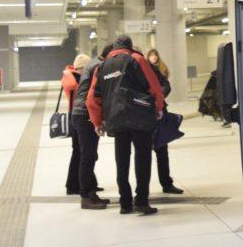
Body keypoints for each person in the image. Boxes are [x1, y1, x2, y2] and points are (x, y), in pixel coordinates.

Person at [87, 36, 165, 215]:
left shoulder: (102, 66)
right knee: (142, 158)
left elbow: (93, 97)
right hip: (140, 118)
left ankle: (125, 203)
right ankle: (141, 201)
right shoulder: (137, 59)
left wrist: (97, 121)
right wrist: (158, 107)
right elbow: (154, 86)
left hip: (116, 119)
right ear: (130, 47)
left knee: (121, 161)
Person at [71, 46, 111, 210]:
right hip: (85, 114)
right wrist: (98, 120)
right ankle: (85, 196)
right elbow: (94, 95)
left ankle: (91, 193)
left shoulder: (95, 63)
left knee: (89, 155)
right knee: (87, 156)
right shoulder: (98, 66)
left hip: (83, 113)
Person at [146, 49, 183, 194]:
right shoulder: (125, 71)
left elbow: (166, 85)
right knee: (142, 154)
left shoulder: (152, 69)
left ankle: (166, 183)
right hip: (138, 118)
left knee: (162, 150)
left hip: (158, 114)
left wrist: (158, 97)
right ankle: (142, 189)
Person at [62, 54, 92, 195]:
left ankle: (86, 182)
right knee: (80, 152)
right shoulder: (75, 79)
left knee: (82, 152)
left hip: (76, 115)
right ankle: (73, 185)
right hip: (78, 117)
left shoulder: (74, 77)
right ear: (81, 68)